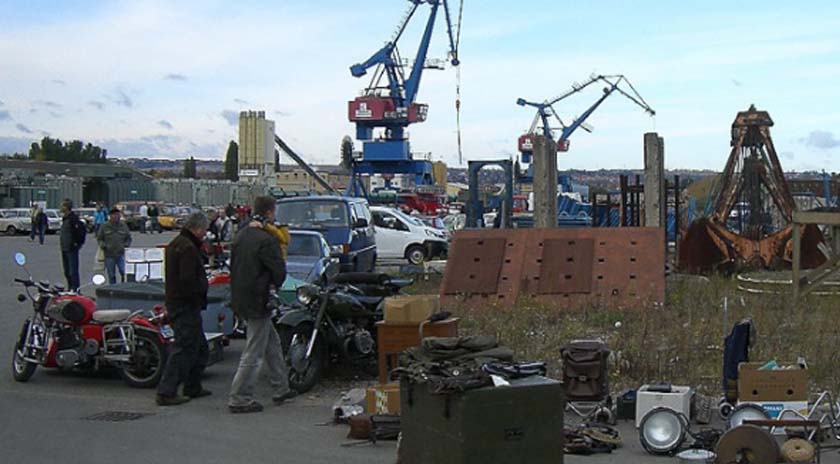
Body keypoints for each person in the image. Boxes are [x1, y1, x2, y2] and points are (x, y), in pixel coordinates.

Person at [228, 196, 294, 413]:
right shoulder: (267, 239)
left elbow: (233, 266)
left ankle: (281, 386)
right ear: (269, 212)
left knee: (271, 342)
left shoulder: (242, 235)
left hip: (241, 296)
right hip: (259, 297)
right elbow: (278, 272)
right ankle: (239, 397)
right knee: (254, 350)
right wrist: (275, 285)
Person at [156, 212, 211, 406]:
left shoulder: (178, 244)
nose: (205, 233)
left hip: (180, 302)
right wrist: (199, 291)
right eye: (204, 230)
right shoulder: (187, 248)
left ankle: (192, 385)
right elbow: (187, 279)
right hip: (185, 304)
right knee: (184, 347)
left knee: (199, 346)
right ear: (196, 228)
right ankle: (167, 390)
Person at [97, 207, 132, 284]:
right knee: (111, 275)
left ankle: (124, 288)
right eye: (115, 215)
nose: (117, 217)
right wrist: (103, 245)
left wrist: (126, 245)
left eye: (118, 215)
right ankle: (112, 289)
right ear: (110, 216)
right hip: (109, 254)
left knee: (124, 272)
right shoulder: (104, 226)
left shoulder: (123, 225)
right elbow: (99, 238)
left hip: (121, 254)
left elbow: (128, 238)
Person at [59, 199, 86, 291]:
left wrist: (77, 244)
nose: (61, 207)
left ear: (66, 207)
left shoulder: (73, 219)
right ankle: (70, 287)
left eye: (62, 206)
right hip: (64, 248)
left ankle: (76, 289)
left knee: (73, 271)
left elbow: (78, 233)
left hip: (71, 248)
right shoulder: (65, 218)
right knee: (67, 271)